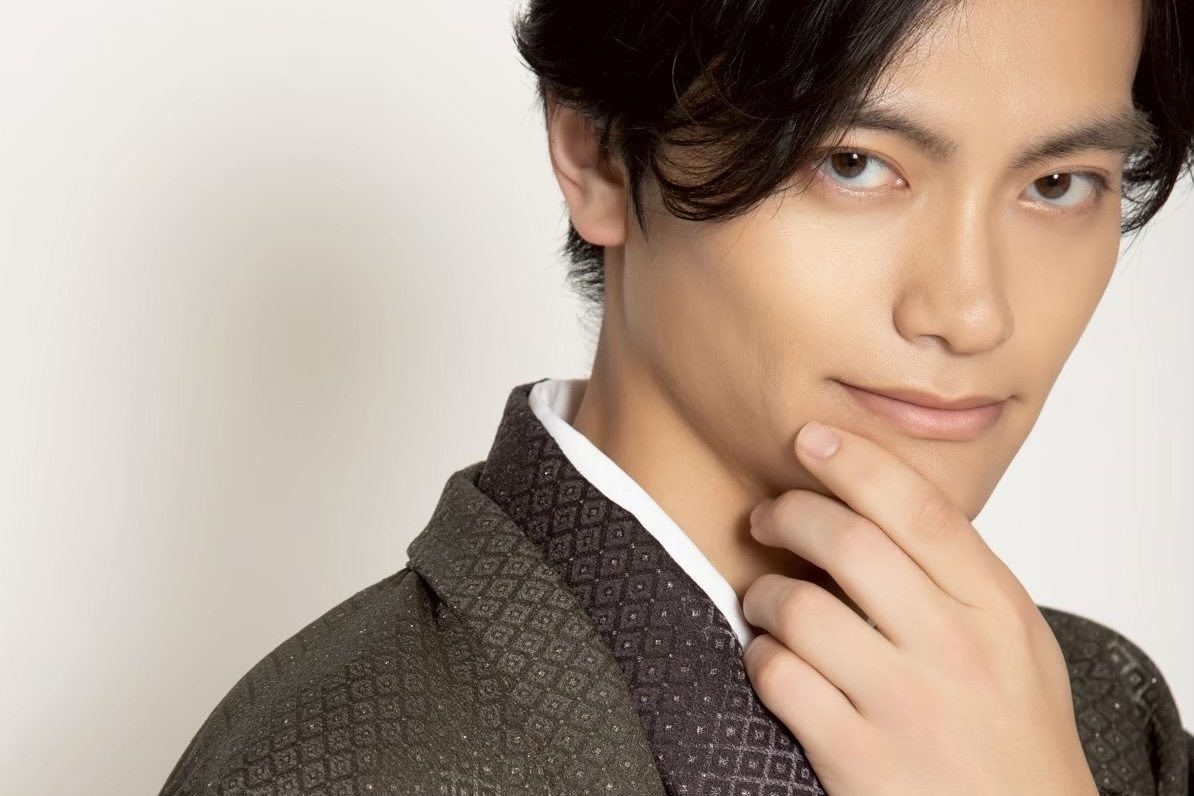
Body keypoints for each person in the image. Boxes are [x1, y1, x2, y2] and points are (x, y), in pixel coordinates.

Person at [159, 0, 1194, 793]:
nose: (971, 312)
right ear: (600, 155)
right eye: (852, 163)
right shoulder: (347, 761)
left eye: (1059, 183)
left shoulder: (1099, 716)